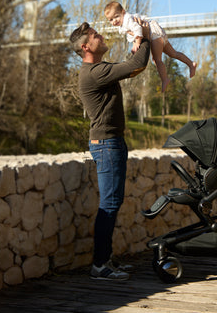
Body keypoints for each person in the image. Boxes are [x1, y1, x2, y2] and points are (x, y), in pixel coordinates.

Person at [69, 20, 150, 281]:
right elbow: (137, 65)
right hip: (106, 144)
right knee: (109, 204)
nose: (101, 36)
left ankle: (107, 260)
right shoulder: (93, 72)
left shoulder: (99, 70)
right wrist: (144, 35)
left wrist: (138, 45)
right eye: (95, 35)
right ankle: (100, 264)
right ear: (85, 47)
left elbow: (133, 69)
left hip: (111, 142)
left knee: (112, 203)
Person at [104, 1, 197, 92]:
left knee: (156, 59)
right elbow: (133, 35)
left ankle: (165, 79)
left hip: (153, 32)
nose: (114, 21)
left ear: (123, 12)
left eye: (116, 16)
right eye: (111, 19)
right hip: (156, 32)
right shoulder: (122, 25)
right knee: (173, 53)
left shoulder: (127, 19)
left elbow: (138, 29)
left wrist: (137, 43)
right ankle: (191, 64)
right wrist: (134, 44)